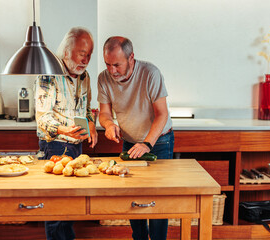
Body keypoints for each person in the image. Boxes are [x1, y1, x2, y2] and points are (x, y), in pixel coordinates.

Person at [97, 36, 174, 240]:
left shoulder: (150, 73)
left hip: (158, 141)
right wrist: (109, 124)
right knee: (133, 196)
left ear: (131, 58)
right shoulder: (104, 78)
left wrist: (148, 143)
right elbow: (104, 114)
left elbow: (161, 114)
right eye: (107, 64)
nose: (111, 70)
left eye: (116, 65)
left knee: (157, 197)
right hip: (131, 142)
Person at [35, 27, 97, 240]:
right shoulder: (49, 73)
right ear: (67, 50)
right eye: (82, 54)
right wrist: (63, 129)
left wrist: (92, 125)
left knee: (70, 205)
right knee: (55, 207)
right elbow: (42, 118)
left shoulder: (85, 76)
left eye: (89, 55)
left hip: (76, 147)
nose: (86, 60)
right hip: (54, 146)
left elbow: (88, 110)